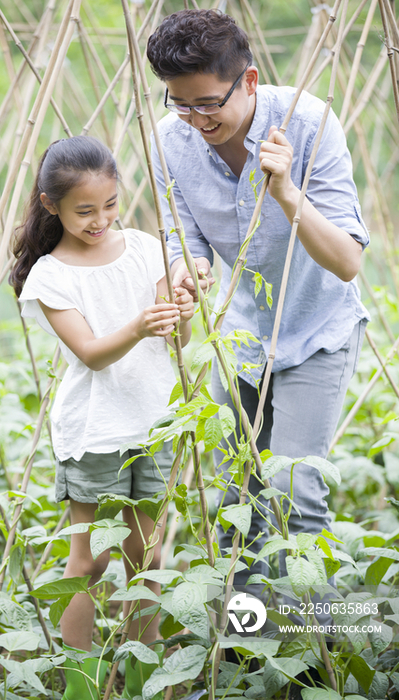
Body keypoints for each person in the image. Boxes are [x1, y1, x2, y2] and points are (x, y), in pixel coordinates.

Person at [147, 9, 369, 615]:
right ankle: (245, 653)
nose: (196, 121)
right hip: (240, 337)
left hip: (316, 332)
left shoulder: (309, 122)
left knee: (296, 496)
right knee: (234, 501)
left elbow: (348, 262)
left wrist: (287, 193)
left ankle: (307, 655)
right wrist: (184, 275)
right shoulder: (172, 139)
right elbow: (182, 239)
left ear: (246, 81)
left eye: (208, 104)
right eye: (180, 105)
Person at [10, 135, 194, 700]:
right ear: (51, 206)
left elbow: (179, 339)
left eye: (109, 205)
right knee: (89, 560)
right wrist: (139, 326)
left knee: (149, 554)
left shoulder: (144, 248)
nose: (100, 220)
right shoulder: (49, 276)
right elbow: (89, 352)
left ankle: (143, 678)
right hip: (94, 430)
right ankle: (82, 685)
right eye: (84, 211)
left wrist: (184, 306)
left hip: (156, 423)